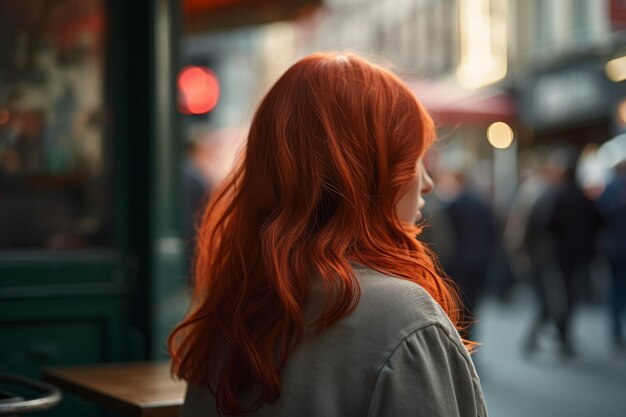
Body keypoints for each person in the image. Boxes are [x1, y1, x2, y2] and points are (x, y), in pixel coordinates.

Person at [168, 52, 487, 417]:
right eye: (412, 158)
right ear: (368, 171)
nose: (427, 183)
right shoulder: (404, 317)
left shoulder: (235, 305)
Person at [597, 158, 626, 350]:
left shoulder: (609, 189)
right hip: (617, 246)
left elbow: (599, 216)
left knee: (615, 289)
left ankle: (616, 332)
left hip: (613, 247)